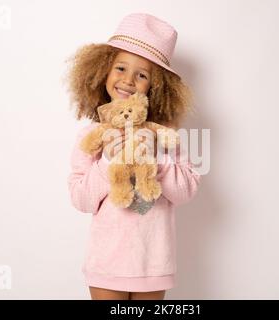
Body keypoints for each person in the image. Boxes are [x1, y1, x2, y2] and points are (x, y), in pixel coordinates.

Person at [65, 13, 201, 300]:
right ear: (103, 71)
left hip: (153, 262)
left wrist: (155, 155)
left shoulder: (166, 136)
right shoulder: (92, 136)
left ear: (155, 85)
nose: (128, 80)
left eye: (142, 75)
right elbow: (80, 199)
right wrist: (107, 163)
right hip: (106, 263)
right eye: (121, 68)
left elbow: (186, 191)